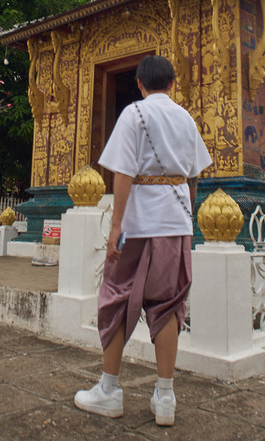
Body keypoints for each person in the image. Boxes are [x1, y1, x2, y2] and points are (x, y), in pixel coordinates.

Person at [74, 55, 212, 427]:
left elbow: (122, 172)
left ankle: (109, 390)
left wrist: (116, 225)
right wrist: (184, 212)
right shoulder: (186, 118)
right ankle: (164, 396)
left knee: (118, 297)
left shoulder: (134, 114)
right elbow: (195, 176)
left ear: (138, 84)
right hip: (176, 221)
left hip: (138, 222)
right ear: (171, 84)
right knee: (168, 304)